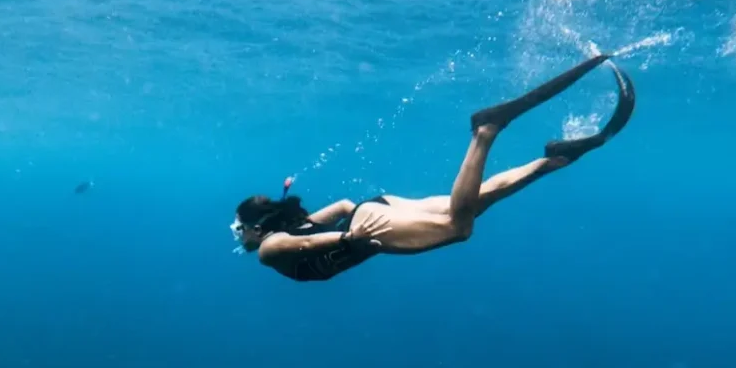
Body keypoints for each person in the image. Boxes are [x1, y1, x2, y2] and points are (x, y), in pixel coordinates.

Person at [231, 54, 636, 282]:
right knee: (473, 203)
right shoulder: (289, 229)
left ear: (256, 228)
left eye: (239, 229)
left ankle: (485, 132)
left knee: (459, 227)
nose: (239, 237)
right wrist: (352, 223)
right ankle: (552, 160)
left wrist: (350, 237)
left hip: (367, 226)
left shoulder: (268, 249)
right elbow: (339, 207)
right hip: (375, 211)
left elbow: (303, 246)